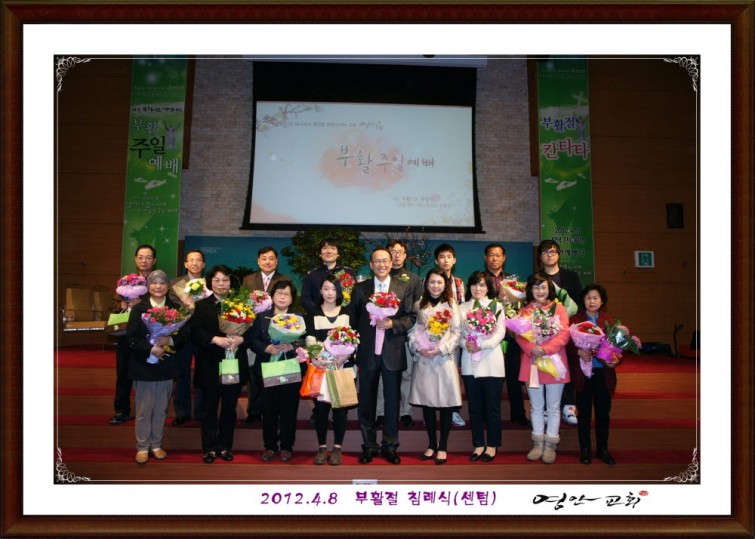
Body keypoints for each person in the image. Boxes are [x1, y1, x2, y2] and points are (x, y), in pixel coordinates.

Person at [351, 247, 417, 465]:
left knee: (392, 403)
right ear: (371, 265)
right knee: (366, 402)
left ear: (391, 263)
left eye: (385, 261)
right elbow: (353, 320)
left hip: (392, 352)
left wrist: (393, 323)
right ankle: (369, 446)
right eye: (377, 261)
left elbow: (411, 317)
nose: (381, 264)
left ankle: (390, 446)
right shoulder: (360, 288)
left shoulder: (403, 287)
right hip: (368, 353)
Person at [126, 269, 188, 464]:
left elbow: (184, 335)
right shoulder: (139, 309)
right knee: (144, 410)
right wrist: (151, 348)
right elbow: (131, 337)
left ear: (168, 286)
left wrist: (170, 340)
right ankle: (142, 447)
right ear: (148, 286)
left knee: (161, 409)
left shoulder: (176, 308)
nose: (158, 286)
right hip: (143, 366)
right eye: (154, 283)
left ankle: (156, 445)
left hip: (166, 367)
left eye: (162, 283)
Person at [190, 265, 249, 463]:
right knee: (209, 408)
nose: (221, 284)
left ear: (230, 282)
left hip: (233, 361)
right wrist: (215, 339)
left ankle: (224, 446)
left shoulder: (241, 304)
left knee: (229, 408)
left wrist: (241, 339)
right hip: (210, 363)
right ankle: (209, 448)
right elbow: (195, 332)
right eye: (217, 280)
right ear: (210, 283)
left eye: (225, 280)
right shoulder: (201, 305)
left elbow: (250, 330)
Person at [247, 280, 307, 463]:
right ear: (272, 296)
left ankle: (287, 447)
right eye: (279, 293)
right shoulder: (262, 317)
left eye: (287, 294)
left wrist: (292, 344)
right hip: (267, 367)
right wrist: (266, 348)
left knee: (289, 409)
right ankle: (270, 446)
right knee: (269, 409)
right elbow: (252, 340)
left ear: (292, 298)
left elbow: (306, 339)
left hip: (290, 366)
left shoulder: (298, 317)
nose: (282, 297)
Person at [514, 272, 571, 464]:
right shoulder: (525, 311)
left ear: (549, 289)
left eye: (543, 287)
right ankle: (538, 443)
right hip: (532, 362)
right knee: (536, 406)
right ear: (530, 289)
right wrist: (532, 349)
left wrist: (545, 349)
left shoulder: (559, 308)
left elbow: (564, 334)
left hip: (555, 362)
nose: (540, 291)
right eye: (536, 287)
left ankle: (550, 446)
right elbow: (520, 335)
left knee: (554, 407)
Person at [407, 268, 462, 465]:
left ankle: (443, 446)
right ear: (426, 284)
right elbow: (413, 331)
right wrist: (418, 347)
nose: (435, 286)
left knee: (446, 404)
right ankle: (431, 444)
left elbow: (457, 332)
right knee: (427, 404)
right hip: (424, 359)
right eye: (432, 282)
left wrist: (441, 349)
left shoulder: (452, 304)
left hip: (443, 359)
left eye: (439, 282)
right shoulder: (419, 304)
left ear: (445, 285)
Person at [303, 275, 355, 465]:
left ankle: (337, 448)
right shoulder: (313, 313)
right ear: (320, 291)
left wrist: (344, 357)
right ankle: (322, 447)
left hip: (342, 366)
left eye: (334, 289)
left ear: (340, 291)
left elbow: (354, 339)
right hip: (321, 367)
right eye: (326, 288)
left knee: (340, 410)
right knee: (321, 409)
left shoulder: (348, 313)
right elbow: (309, 338)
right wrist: (315, 358)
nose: (330, 293)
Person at [567, 284, 621, 465]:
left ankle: (603, 449)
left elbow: (617, 348)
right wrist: (578, 351)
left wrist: (616, 359)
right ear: (583, 300)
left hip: (603, 373)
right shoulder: (575, 320)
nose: (592, 301)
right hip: (583, 374)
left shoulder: (610, 321)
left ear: (602, 301)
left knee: (603, 413)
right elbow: (567, 344)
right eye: (588, 297)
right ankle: (585, 450)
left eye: (595, 298)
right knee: (583, 414)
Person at [458, 271, 507, 462]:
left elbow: (500, 333)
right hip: (470, 362)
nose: (477, 288)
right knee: (475, 408)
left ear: (488, 288)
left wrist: (482, 345)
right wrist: (466, 344)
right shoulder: (462, 308)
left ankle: (492, 445)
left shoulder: (497, 306)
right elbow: (457, 333)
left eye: (482, 285)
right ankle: (478, 444)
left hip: (492, 362)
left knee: (492, 408)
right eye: (474, 284)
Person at [376, 239, 424, 429]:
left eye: (399, 252)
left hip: (404, 334)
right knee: (382, 375)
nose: (396, 255)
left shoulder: (413, 279)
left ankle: (405, 412)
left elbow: (416, 310)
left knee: (406, 374)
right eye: (392, 252)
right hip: (382, 336)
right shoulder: (380, 279)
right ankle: (381, 412)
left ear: (405, 255)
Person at [533, 239, 582, 427]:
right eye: (545, 252)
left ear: (559, 254)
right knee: (544, 368)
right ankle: (546, 408)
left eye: (553, 251)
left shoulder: (571, 276)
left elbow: (578, 304)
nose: (549, 255)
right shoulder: (535, 278)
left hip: (565, 330)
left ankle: (568, 406)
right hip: (541, 332)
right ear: (540, 257)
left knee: (566, 366)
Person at [241, 246, 291, 425]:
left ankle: (273, 412)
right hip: (253, 334)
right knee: (255, 374)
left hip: (277, 334)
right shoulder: (248, 280)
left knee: (275, 375)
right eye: (264, 258)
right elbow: (243, 305)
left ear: (276, 261)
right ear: (258, 261)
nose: (267, 262)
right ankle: (254, 411)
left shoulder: (284, 280)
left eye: (271, 258)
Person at [483, 243, 529, 427]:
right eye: (491, 255)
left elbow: (520, 306)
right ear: (485, 258)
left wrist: (514, 319)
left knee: (514, 375)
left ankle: (518, 413)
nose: (494, 258)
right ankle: (488, 415)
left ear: (504, 258)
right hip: (488, 335)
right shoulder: (480, 279)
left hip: (511, 334)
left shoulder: (513, 281)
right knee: (490, 378)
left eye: (498, 255)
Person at [110, 244, 157, 425]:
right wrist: (121, 305)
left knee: (147, 375)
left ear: (154, 260)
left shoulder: (158, 282)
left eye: (148, 257)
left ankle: (148, 412)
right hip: (126, 336)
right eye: (141, 257)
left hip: (148, 337)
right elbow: (113, 306)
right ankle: (121, 410)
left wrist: (142, 304)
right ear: (136, 260)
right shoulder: (126, 281)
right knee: (123, 374)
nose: (144, 261)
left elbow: (164, 306)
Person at [167, 249, 206, 426]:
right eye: (191, 260)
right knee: (181, 373)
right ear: (185, 264)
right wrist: (189, 306)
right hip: (182, 334)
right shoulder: (176, 284)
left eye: (198, 260)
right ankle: (182, 412)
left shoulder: (209, 284)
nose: (195, 263)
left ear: (203, 264)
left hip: (203, 334)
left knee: (202, 372)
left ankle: (201, 411)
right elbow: (174, 307)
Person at [433, 243, 466, 428]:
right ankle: (432, 408)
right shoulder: (428, 280)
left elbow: (462, 309)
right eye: (441, 257)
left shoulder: (459, 283)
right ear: (436, 260)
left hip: (453, 336)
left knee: (452, 375)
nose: (445, 260)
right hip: (431, 336)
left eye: (449, 257)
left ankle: (453, 410)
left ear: (454, 260)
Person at [300, 238, 357, 313]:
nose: (329, 251)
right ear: (320, 253)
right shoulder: (312, 274)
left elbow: (354, 297)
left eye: (333, 248)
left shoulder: (347, 272)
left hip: (344, 315)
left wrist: (340, 312)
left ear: (338, 253)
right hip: (318, 315)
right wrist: (320, 311)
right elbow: (305, 299)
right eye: (325, 248)